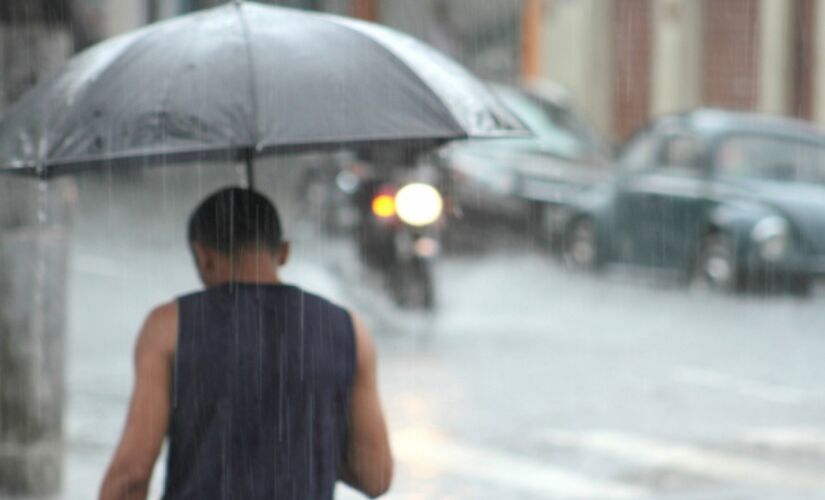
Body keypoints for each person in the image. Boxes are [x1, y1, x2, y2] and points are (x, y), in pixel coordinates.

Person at [100, 187, 393, 499]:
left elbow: (131, 475)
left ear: (203, 255)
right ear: (283, 252)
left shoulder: (169, 326)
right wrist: (308, 442)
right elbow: (374, 476)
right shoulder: (347, 329)